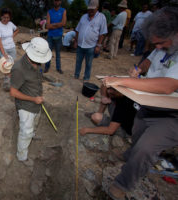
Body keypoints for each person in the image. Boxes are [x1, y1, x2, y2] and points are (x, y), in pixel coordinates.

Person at [103, 7, 178, 199]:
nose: (158, 47)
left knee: (146, 148)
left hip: (171, 115)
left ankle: (123, 184)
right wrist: (137, 69)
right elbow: (148, 62)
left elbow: (168, 86)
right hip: (148, 106)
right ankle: (130, 155)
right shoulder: (161, 45)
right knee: (138, 132)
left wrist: (123, 81)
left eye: (160, 43)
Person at [10, 37, 52, 163]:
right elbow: (13, 92)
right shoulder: (18, 69)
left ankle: (32, 134)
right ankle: (22, 157)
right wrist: (33, 99)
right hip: (26, 105)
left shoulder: (37, 63)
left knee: (35, 121)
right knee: (25, 131)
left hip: (36, 102)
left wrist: (36, 98)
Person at [74, 0, 107, 81]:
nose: (91, 11)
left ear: (97, 8)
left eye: (93, 9)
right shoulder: (83, 17)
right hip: (80, 44)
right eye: (89, 9)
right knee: (78, 62)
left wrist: (98, 45)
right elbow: (77, 30)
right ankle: (76, 75)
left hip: (91, 46)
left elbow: (102, 33)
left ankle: (86, 78)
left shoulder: (101, 17)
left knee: (88, 64)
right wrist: (76, 41)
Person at [44, 0, 66, 74]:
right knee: (48, 52)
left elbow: (64, 23)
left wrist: (52, 25)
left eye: (58, 1)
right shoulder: (49, 12)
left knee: (58, 53)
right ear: (53, 1)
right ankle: (47, 67)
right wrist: (58, 25)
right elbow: (47, 25)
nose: (56, 2)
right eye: (55, 1)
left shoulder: (63, 11)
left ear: (60, 1)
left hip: (59, 35)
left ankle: (58, 68)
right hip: (50, 35)